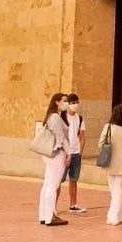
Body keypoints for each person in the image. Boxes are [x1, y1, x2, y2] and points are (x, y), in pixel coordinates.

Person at [99, 104, 122, 226]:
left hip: (110, 159)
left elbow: (101, 143)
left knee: (113, 187)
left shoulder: (108, 126)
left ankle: (113, 216)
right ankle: (121, 213)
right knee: (118, 186)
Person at [39, 94, 72, 226]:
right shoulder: (56, 117)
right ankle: (50, 216)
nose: (66, 104)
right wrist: (70, 154)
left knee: (48, 183)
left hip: (50, 155)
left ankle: (44, 215)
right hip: (57, 154)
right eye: (64, 101)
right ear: (57, 102)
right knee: (53, 185)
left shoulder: (52, 116)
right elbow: (61, 139)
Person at [58, 93, 87, 214]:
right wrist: (65, 152)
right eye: (72, 103)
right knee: (58, 180)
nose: (75, 105)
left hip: (76, 154)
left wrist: (80, 152)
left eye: (76, 102)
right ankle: (53, 206)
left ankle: (73, 205)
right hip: (65, 153)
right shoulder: (62, 117)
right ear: (67, 104)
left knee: (74, 180)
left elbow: (82, 136)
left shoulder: (80, 118)